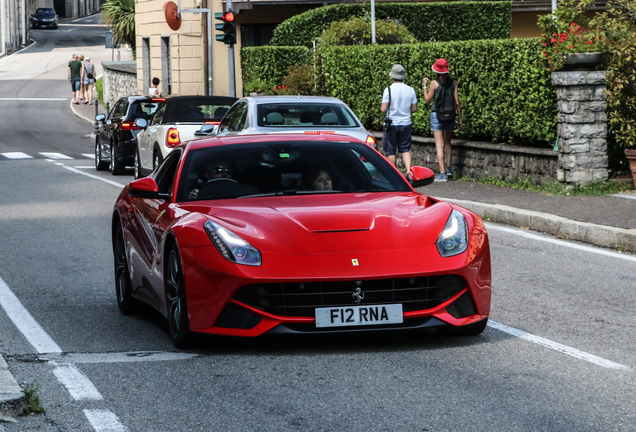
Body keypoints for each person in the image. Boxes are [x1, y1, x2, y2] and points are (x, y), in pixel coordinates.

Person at [422, 58, 463, 182]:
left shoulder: (434, 83)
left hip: (437, 115)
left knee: (439, 144)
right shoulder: (453, 83)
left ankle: (442, 173)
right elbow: (457, 102)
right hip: (450, 115)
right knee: (447, 142)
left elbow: (427, 100)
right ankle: (449, 169)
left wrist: (424, 86)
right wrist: (460, 119)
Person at [380, 64, 418, 173]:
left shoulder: (388, 90)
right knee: (405, 149)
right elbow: (414, 108)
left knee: (390, 150)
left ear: (392, 77)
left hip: (392, 124)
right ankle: (408, 171)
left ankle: (394, 173)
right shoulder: (411, 90)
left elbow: (383, 109)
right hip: (406, 123)